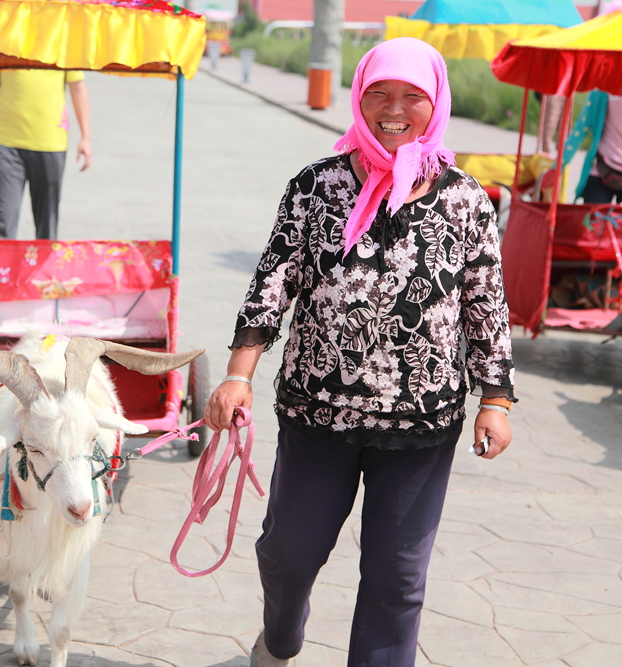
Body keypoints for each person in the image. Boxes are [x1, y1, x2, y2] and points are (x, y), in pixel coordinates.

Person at [203, 38, 515, 667]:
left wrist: (496, 398)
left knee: (397, 580)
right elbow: (273, 283)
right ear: (359, 96)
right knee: (288, 552)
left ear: (437, 103)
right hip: (319, 413)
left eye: (411, 97)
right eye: (379, 93)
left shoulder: (466, 200)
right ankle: (281, 638)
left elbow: (485, 303)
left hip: (421, 423)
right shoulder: (315, 187)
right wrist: (238, 376)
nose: (393, 109)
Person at [0, 68, 91, 240]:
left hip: (50, 144)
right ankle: (2, 267)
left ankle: (45, 267)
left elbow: (78, 88)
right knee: (3, 224)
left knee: (47, 225)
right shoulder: (3, 42)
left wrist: (86, 137)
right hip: (5, 144)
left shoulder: (62, 44)